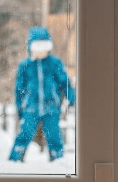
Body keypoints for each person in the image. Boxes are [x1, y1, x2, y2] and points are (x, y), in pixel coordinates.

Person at [9, 26, 75, 162]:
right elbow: (19, 89)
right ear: (30, 47)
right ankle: (15, 160)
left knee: (54, 136)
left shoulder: (55, 63)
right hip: (31, 107)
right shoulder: (25, 65)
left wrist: (71, 97)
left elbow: (64, 82)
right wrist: (20, 107)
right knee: (24, 134)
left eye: (43, 46)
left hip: (51, 107)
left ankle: (57, 160)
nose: (41, 50)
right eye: (37, 47)